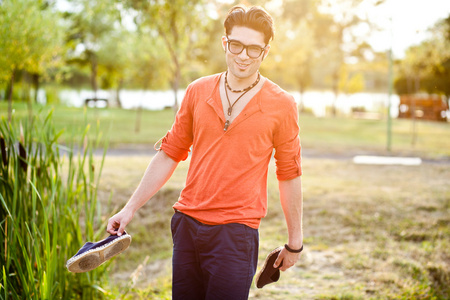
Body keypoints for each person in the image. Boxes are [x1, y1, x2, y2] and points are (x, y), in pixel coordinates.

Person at [107, 5, 303, 299]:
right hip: (186, 226)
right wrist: (130, 207)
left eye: (254, 49)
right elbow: (170, 152)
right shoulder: (197, 91)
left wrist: (294, 242)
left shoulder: (282, 105)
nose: (243, 55)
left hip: (236, 234)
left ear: (265, 52)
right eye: (236, 45)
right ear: (225, 43)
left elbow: (289, 174)